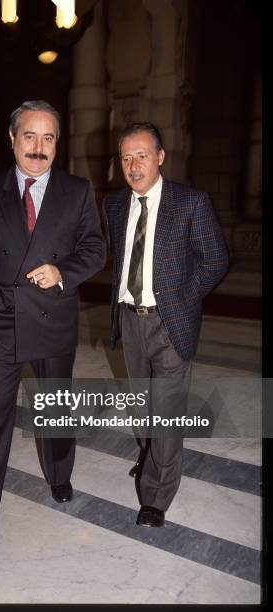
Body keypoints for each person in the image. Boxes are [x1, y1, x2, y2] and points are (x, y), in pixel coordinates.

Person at [0, 100, 106, 528]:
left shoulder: (77, 191)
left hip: (52, 316)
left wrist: (63, 271)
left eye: (48, 138)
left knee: (56, 405)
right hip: (1, 318)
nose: (38, 148)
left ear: (57, 144)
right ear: (12, 138)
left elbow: (95, 249)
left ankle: (60, 476)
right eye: (29, 136)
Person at [103, 122, 229, 528]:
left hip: (171, 321)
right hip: (130, 319)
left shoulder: (190, 202)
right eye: (126, 157)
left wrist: (183, 298)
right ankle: (150, 455)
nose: (134, 165)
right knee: (142, 405)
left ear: (159, 156)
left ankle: (156, 495)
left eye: (141, 155)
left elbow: (216, 260)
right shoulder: (115, 205)